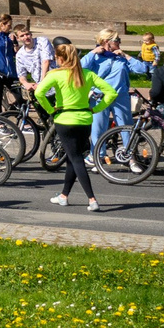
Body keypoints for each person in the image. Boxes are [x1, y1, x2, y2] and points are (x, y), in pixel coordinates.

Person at [37, 38, 112, 212]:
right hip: (85, 119)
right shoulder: (86, 74)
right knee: (73, 157)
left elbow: (40, 92)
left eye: (56, 57)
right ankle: (64, 195)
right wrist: (96, 108)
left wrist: (51, 110)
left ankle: (92, 199)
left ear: (61, 59)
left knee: (76, 159)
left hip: (65, 120)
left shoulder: (55, 74)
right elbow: (111, 92)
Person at [84, 28, 146, 158]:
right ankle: (97, 156)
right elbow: (79, 66)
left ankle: (130, 157)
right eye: (117, 40)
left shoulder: (121, 58)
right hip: (99, 97)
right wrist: (93, 52)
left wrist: (126, 55)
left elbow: (141, 69)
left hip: (120, 96)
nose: (119, 43)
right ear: (107, 41)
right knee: (98, 129)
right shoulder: (95, 57)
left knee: (126, 127)